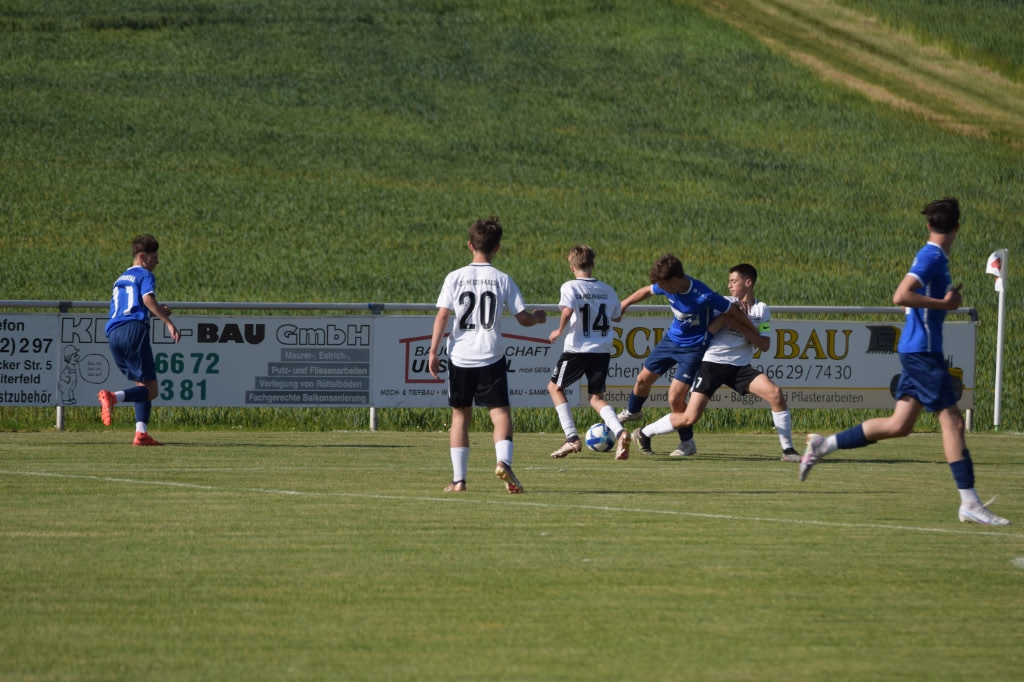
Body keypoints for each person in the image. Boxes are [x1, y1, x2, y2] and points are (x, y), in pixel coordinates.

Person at [800, 197, 1009, 526]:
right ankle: (969, 502)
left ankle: (823, 445)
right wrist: (945, 304)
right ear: (957, 228)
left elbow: (908, 301)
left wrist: (929, 304)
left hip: (917, 351)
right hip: (923, 352)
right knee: (953, 423)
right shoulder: (932, 257)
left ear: (928, 225)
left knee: (900, 425)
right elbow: (901, 295)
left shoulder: (929, 256)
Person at [630, 263, 799, 461]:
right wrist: (729, 316)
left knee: (775, 393)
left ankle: (788, 451)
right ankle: (644, 433)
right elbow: (708, 330)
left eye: (734, 281)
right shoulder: (722, 303)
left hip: (740, 368)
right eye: (729, 281)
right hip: (711, 364)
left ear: (748, 282)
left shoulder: (761, 310)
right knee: (690, 417)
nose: (729, 285)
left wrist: (738, 323)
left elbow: (764, 344)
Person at [428, 215, 546, 494]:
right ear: (497, 248)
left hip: (460, 356)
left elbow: (443, 315)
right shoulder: (502, 279)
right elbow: (523, 318)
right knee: (500, 412)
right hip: (491, 355)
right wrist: (538, 318)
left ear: (470, 245)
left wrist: (433, 351)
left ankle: (459, 481)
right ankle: (503, 462)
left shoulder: (455, 277)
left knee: (460, 417)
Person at [618, 253, 758, 456]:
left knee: (675, 398)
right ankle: (633, 412)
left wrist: (754, 332)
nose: (661, 288)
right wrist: (624, 304)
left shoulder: (703, 295)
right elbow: (647, 291)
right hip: (670, 341)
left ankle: (687, 443)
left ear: (675, 280)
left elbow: (733, 311)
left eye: (663, 285)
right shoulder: (666, 285)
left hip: (693, 349)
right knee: (642, 380)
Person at [547, 245, 630, 460]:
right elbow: (617, 316)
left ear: (572, 267)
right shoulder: (607, 289)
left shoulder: (570, 286)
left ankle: (572, 438)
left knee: (555, 388)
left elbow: (567, 310)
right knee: (596, 398)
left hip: (577, 349)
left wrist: (559, 330)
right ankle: (620, 432)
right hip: (601, 350)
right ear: (592, 265)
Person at [97, 234, 181, 445]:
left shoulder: (120, 279)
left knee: (142, 386)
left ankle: (141, 433)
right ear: (143, 257)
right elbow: (147, 298)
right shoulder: (145, 274)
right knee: (152, 390)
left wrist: (153, 312)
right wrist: (167, 322)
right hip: (134, 331)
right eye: (154, 257)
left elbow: (131, 308)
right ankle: (113, 397)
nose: (157, 262)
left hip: (114, 333)